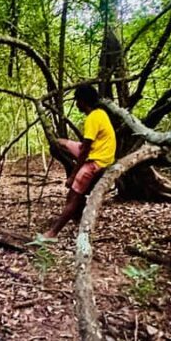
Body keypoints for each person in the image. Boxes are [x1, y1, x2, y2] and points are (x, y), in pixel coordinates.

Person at [44, 84, 116, 238]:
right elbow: (86, 145)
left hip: (97, 161)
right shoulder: (101, 113)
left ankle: (53, 232)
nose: (76, 104)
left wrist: (73, 176)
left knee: (73, 196)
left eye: (77, 101)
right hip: (97, 152)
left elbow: (85, 151)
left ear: (83, 101)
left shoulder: (92, 119)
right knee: (60, 143)